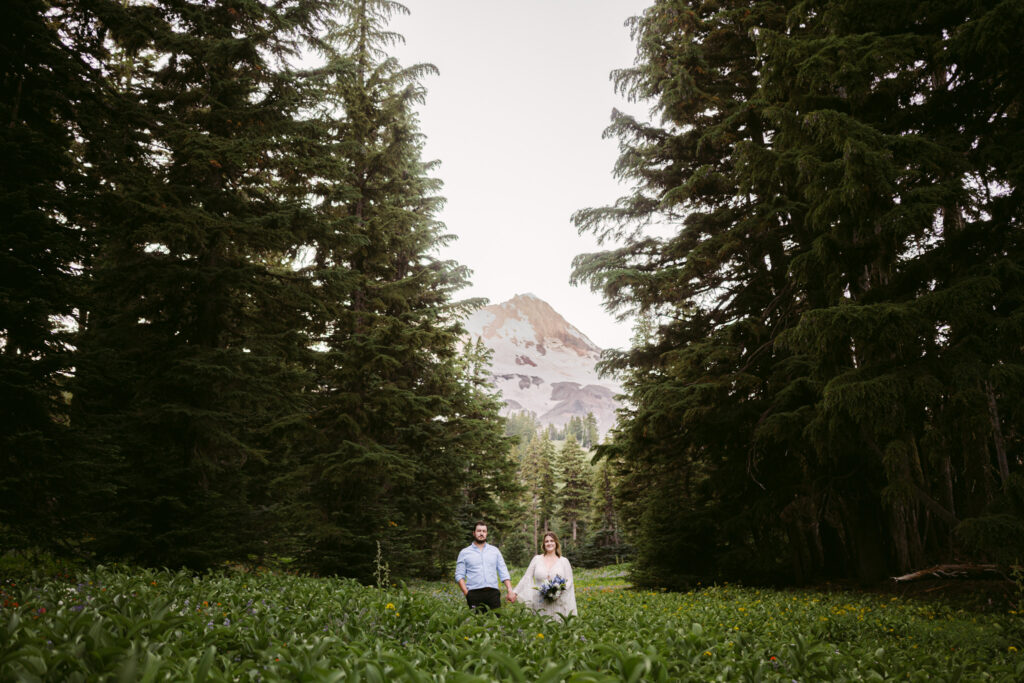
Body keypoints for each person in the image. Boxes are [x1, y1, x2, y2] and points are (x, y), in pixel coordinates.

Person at [513, 531, 577, 620]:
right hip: (540, 603)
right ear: (543, 544)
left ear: (556, 543)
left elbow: (569, 580)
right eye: (546, 541)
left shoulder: (564, 561)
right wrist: (515, 592)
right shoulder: (536, 559)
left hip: (558, 602)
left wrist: (559, 591)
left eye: (552, 541)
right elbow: (527, 577)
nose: (549, 543)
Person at [455, 521, 517, 612]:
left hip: (493, 594)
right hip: (474, 594)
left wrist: (510, 590)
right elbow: (459, 575)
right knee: (477, 624)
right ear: (474, 533)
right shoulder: (464, 553)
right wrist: (467, 594)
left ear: (486, 534)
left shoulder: (495, 551)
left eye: (484, 531)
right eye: (479, 531)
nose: (481, 533)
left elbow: (503, 571)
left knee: (496, 623)